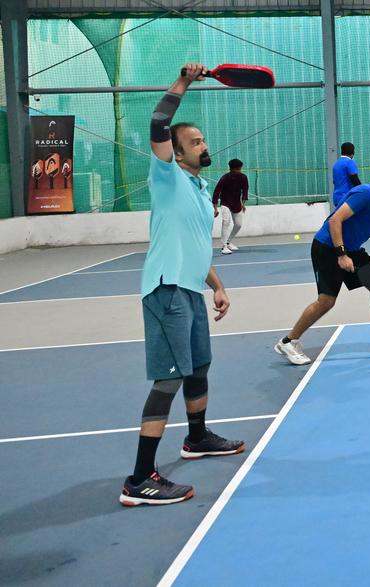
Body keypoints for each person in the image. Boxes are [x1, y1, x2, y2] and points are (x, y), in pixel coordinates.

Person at [121, 63, 245, 507]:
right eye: (194, 142)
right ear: (174, 150)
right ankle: (139, 479)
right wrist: (184, 82)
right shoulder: (167, 174)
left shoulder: (196, 186)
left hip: (189, 290)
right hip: (166, 289)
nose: (203, 145)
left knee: (198, 368)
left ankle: (196, 439)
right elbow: (157, 123)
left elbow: (193, 244)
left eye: (202, 140)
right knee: (168, 380)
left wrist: (217, 283)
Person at [275, 167, 370, 365]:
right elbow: (335, 220)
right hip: (328, 247)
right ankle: (288, 341)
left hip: (352, 249)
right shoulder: (366, 194)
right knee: (326, 301)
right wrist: (341, 254)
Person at [213, 158, 249, 254]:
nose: (239, 171)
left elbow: (245, 191)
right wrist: (215, 208)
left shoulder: (243, 177)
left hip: (237, 203)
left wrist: (243, 203)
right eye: (237, 169)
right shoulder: (225, 178)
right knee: (226, 221)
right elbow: (216, 192)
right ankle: (224, 246)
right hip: (225, 203)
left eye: (240, 169)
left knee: (238, 224)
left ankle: (228, 242)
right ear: (231, 169)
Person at [331, 142, 361, 209]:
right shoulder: (350, 162)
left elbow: (334, 181)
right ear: (353, 152)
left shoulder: (336, 164)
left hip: (336, 198)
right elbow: (355, 180)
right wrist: (364, 191)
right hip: (347, 198)